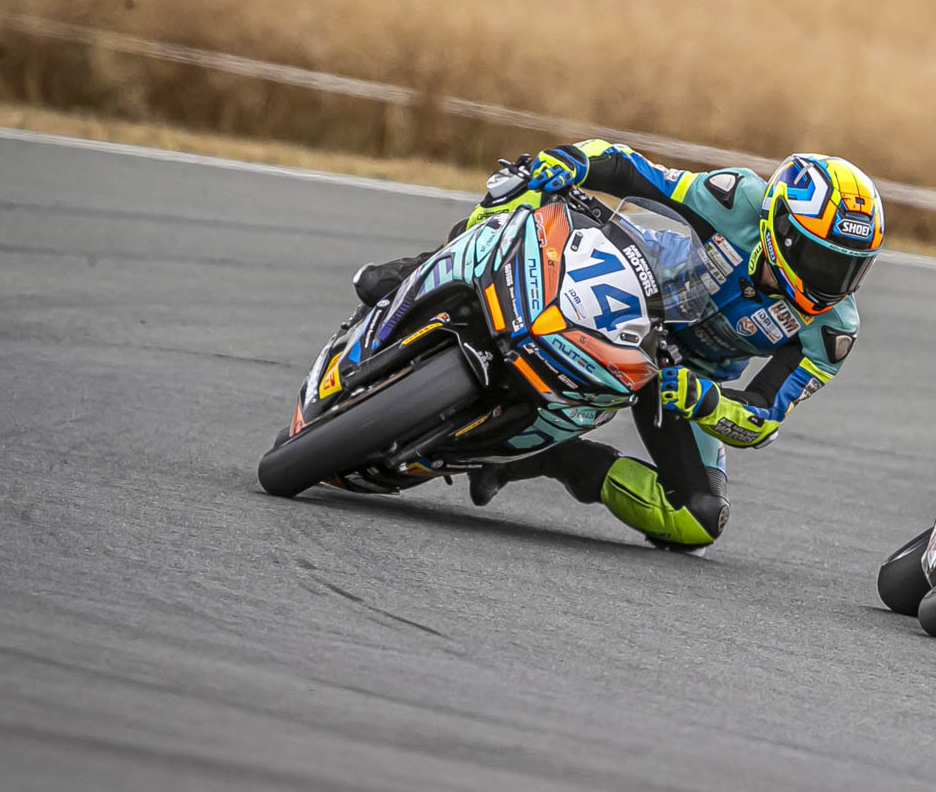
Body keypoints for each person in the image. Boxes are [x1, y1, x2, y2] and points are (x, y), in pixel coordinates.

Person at [352, 140, 884, 549]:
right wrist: (573, 161)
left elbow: (764, 415)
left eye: (850, 267)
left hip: (675, 377)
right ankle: (421, 270)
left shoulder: (831, 331)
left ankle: (552, 458)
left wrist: (705, 400)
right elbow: (634, 171)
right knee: (529, 189)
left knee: (698, 519)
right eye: (822, 258)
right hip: (628, 282)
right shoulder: (737, 198)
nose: (832, 279)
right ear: (780, 227)